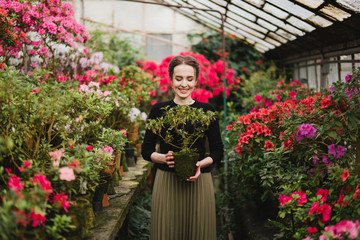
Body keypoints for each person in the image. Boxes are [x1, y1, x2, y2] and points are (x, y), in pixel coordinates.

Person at [141, 55, 224, 240]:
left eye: (189, 79)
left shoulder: (207, 110)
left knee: (199, 233)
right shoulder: (159, 110)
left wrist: (200, 164)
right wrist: (163, 158)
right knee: (167, 233)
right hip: (167, 183)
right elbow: (146, 150)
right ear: (171, 80)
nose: (184, 84)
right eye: (178, 79)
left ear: (196, 80)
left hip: (199, 182)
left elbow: (218, 151)